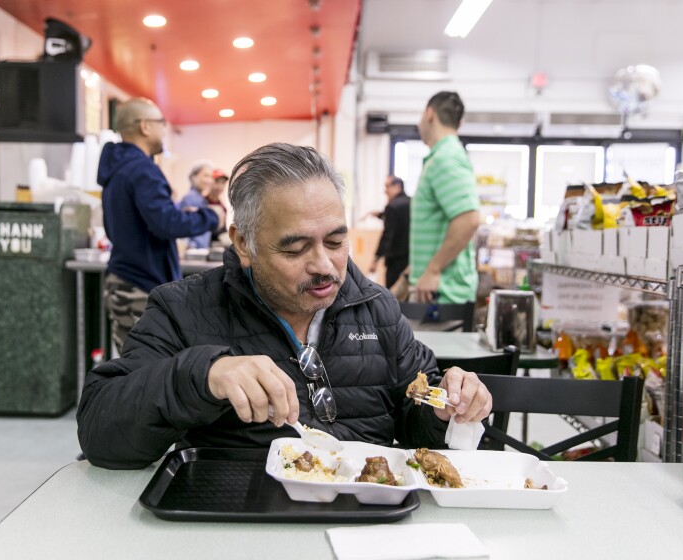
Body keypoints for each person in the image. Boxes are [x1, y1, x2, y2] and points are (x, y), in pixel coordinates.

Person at [78, 142, 492, 469]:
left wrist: (446, 406)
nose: (324, 265)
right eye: (295, 249)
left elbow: (415, 417)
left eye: (335, 241)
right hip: (236, 521)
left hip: (365, 526)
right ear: (244, 242)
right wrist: (202, 374)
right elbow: (101, 432)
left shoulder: (376, 308)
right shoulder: (184, 309)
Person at [99, 98, 220, 354]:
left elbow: (141, 221)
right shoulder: (143, 170)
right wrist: (211, 217)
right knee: (147, 372)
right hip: (140, 283)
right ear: (145, 126)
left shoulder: (118, 168)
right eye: (160, 124)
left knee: (131, 363)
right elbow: (165, 224)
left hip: (122, 278)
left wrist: (175, 212)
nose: (164, 130)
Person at [410, 91, 481, 304]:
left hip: (443, 295)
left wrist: (433, 269)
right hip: (434, 291)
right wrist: (409, 276)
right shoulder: (440, 157)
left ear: (430, 114)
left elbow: (469, 219)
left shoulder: (446, 157)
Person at [369, 176, 410, 288]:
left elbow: (387, 236)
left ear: (397, 186)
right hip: (411, 261)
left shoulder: (392, 207)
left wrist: (376, 259)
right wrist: (379, 215)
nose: (385, 191)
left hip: (395, 261)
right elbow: (401, 220)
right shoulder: (412, 202)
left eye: (387, 186)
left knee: (393, 296)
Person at [181, 160, 217, 249]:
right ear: (194, 177)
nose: (209, 180)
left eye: (211, 177)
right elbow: (189, 228)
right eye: (206, 176)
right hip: (195, 251)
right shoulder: (191, 198)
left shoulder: (200, 199)